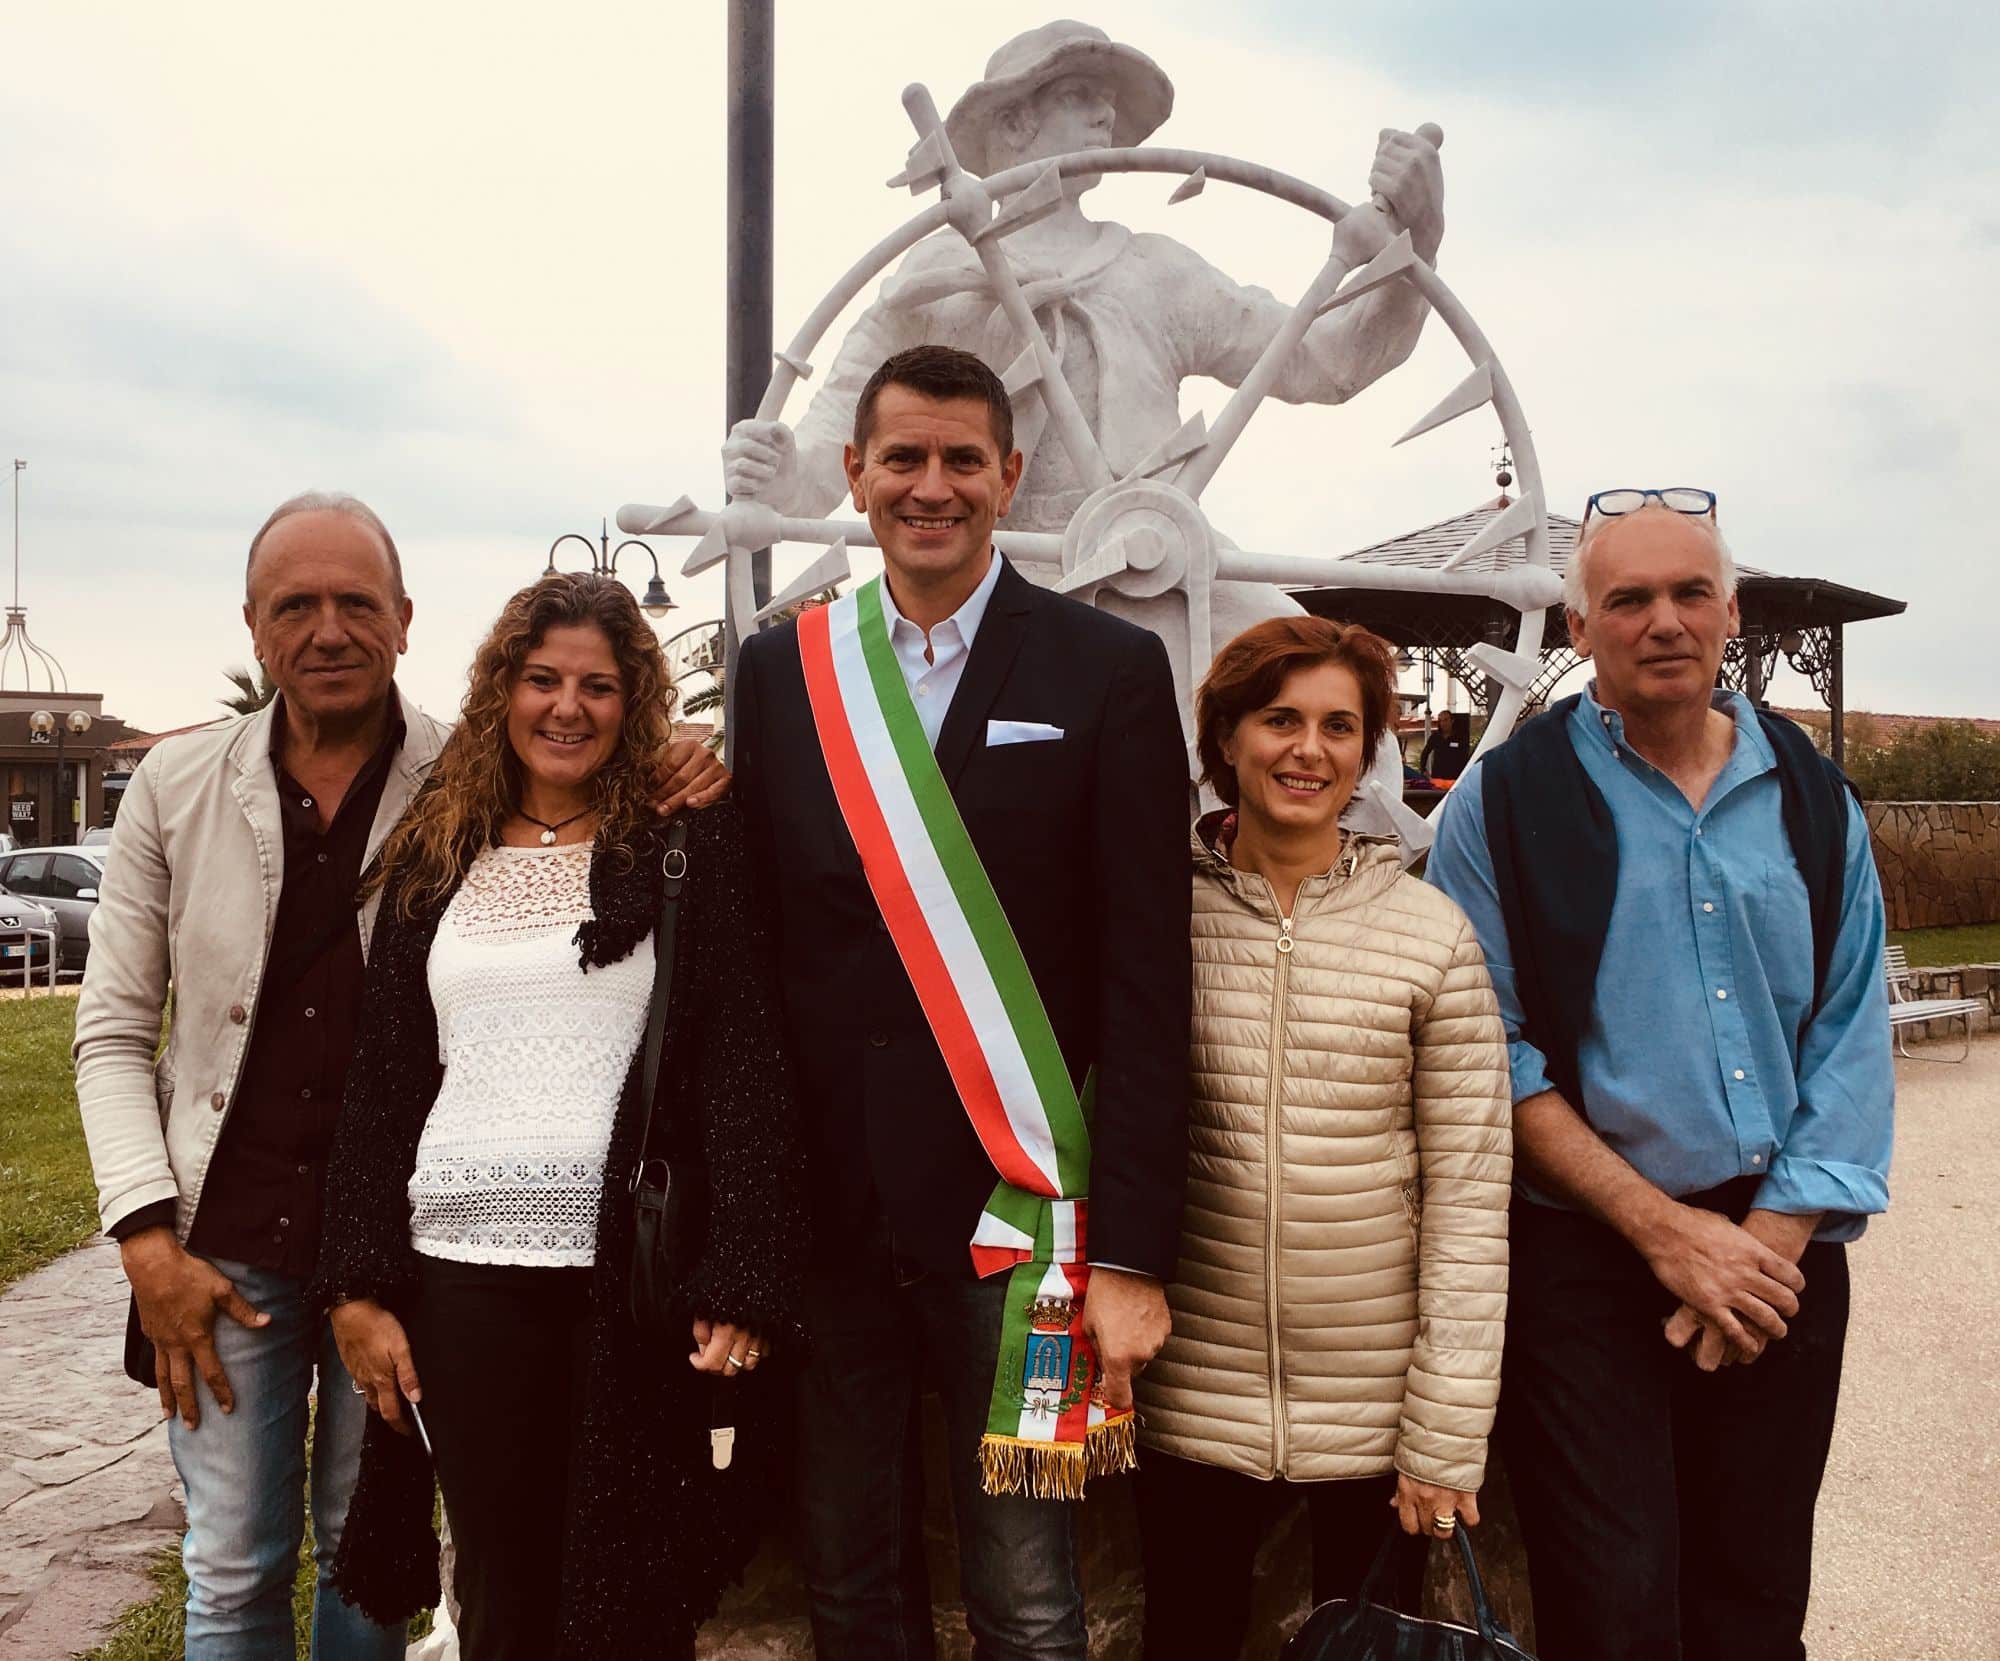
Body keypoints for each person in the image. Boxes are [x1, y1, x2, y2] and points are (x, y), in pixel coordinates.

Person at [72, 494, 724, 1659]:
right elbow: (113, 1028)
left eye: (356, 602)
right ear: (254, 626)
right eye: (296, 606)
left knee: (372, 1555)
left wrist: (676, 756)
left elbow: (591, 783)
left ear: (406, 619)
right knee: (230, 1562)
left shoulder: (462, 774)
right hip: (226, 1242)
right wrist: (143, 1236)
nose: (328, 629)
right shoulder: (172, 786)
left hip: (405, 1241)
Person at [730, 344, 1191, 1660]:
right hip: (834, 1211)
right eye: (904, 460)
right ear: (854, 475)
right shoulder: (784, 674)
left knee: (1028, 1588)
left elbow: (1150, 979)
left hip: (1018, 1209)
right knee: (847, 1571)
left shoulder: (1105, 670)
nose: (932, 487)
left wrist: (1136, 1256)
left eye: (961, 462)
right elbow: (757, 960)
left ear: (1011, 476)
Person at [1426, 488, 1895, 1661]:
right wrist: (1658, 1230)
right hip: (1587, 1253)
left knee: (1751, 1605)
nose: (1662, 620)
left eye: (1689, 592)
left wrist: (1763, 1244)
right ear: (1578, 631)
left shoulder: (1813, 799)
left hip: (1777, 1257)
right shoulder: (1501, 800)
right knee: (1614, 1611)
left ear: (1730, 612)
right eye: (1625, 599)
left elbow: (1847, 1035)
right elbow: (1488, 1042)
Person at [306, 572, 804, 1660]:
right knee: (499, 1592)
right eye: (541, 679)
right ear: (501, 690)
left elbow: (744, 1068)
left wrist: (745, 1273)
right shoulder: (439, 851)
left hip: (626, 1281)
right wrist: (355, 1281)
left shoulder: (681, 843)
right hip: (458, 1276)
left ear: (635, 703)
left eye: (598, 685)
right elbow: (386, 1080)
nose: (566, 707)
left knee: (627, 1595)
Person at [721, 18, 1445, 644]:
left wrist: (1419, 237)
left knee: (1337, 707)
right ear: (1012, 123)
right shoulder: (939, 273)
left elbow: (1322, 359)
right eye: (1078, 96)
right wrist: (782, 475)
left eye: (1108, 102)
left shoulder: (1157, 273)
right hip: (994, 587)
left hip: (1159, 570)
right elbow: (840, 424)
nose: (1103, 116)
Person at [1133, 615, 1511, 1660]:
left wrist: (1443, 1430)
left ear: (1365, 748)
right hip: (1187, 1402)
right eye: (1278, 718)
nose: (1308, 748)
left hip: (1375, 1418)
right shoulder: (1153, 917)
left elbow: (1469, 1200)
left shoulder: (1428, 934)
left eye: (1338, 725)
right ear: (1225, 738)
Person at [1418, 708, 1470, 781]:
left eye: (1445, 720)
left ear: (1452, 721)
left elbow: (1465, 756)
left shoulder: (1460, 737)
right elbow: (1425, 753)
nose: (1443, 723)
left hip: (1455, 778)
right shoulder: (1435, 737)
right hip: (1438, 777)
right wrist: (1423, 770)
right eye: (1440, 721)